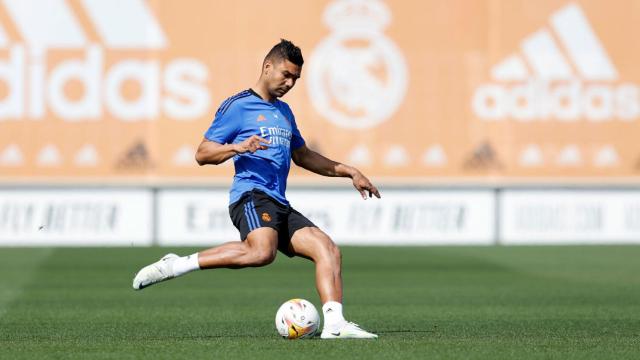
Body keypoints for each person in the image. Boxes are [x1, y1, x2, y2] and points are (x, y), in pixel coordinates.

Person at [133, 39, 380, 339]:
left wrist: (349, 171)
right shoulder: (238, 107)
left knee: (327, 249)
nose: (289, 83)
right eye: (286, 75)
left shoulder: (285, 112)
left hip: (278, 202)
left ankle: (335, 326)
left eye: (295, 79)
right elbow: (202, 153)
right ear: (267, 67)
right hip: (250, 195)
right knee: (262, 252)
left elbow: (302, 155)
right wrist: (238, 147)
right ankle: (178, 264)